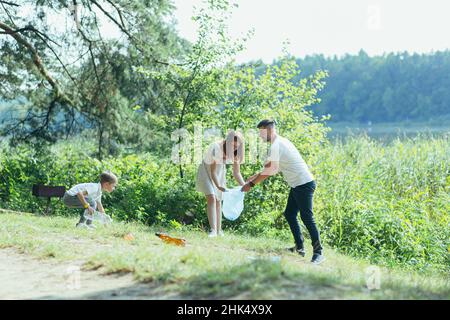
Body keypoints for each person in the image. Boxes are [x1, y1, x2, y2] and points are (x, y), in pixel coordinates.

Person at [241, 120, 325, 264]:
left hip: (304, 184)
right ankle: (299, 247)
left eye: (261, 132)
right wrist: (253, 177)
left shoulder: (277, 145)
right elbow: (269, 166)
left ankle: (318, 252)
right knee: (290, 214)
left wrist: (252, 184)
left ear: (269, 130)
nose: (260, 136)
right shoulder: (280, 142)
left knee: (307, 218)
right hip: (297, 184)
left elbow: (270, 171)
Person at [196, 130, 245, 237]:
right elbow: (212, 171)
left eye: (237, 146)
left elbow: (236, 172)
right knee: (212, 198)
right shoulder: (216, 147)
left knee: (219, 200)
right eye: (232, 145)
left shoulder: (236, 151)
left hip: (219, 172)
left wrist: (244, 185)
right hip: (206, 170)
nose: (234, 148)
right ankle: (213, 230)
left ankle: (219, 230)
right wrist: (218, 186)